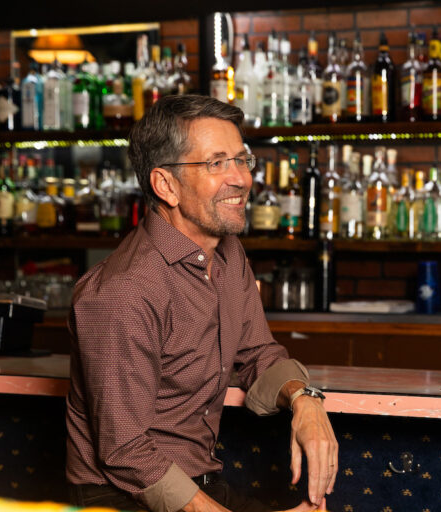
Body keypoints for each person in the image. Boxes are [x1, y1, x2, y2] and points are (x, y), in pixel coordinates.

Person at [66, 95, 338, 512]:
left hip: (200, 483)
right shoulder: (123, 290)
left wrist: (306, 400)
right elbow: (124, 450)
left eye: (242, 159)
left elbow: (257, 356)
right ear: (166, 185)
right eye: (216, 164)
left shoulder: (228, 255)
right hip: (122, 497)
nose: (242, 179)